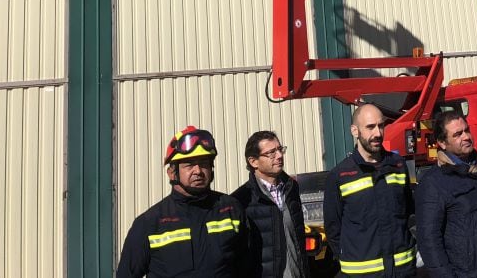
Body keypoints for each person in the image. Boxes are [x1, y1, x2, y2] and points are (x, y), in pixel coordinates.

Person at [117, 125, 247, 277]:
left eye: (204, 163)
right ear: (172, 173)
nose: (198, 171)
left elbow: (249, 268)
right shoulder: (149, 223)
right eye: (189, 164)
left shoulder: (231, 209)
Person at [323, 103, 415, 277]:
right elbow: (333, 229)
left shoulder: (398, 165)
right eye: (370, 127)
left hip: (402, 271)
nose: (378, 133)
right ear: (355, 131)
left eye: (381, 126)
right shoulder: (340, 176)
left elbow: (408, 212)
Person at [416, 109, 477, 277]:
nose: (466, 137)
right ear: (442, 143)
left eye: (467, 130)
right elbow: (429, 241)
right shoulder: (433, 183)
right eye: (457, 134)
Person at [232, 130, 307, 278]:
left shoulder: (292, 189)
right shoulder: (241, 200)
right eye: (271, 153)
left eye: (280, 149)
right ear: (253, 161)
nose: (279, 156)